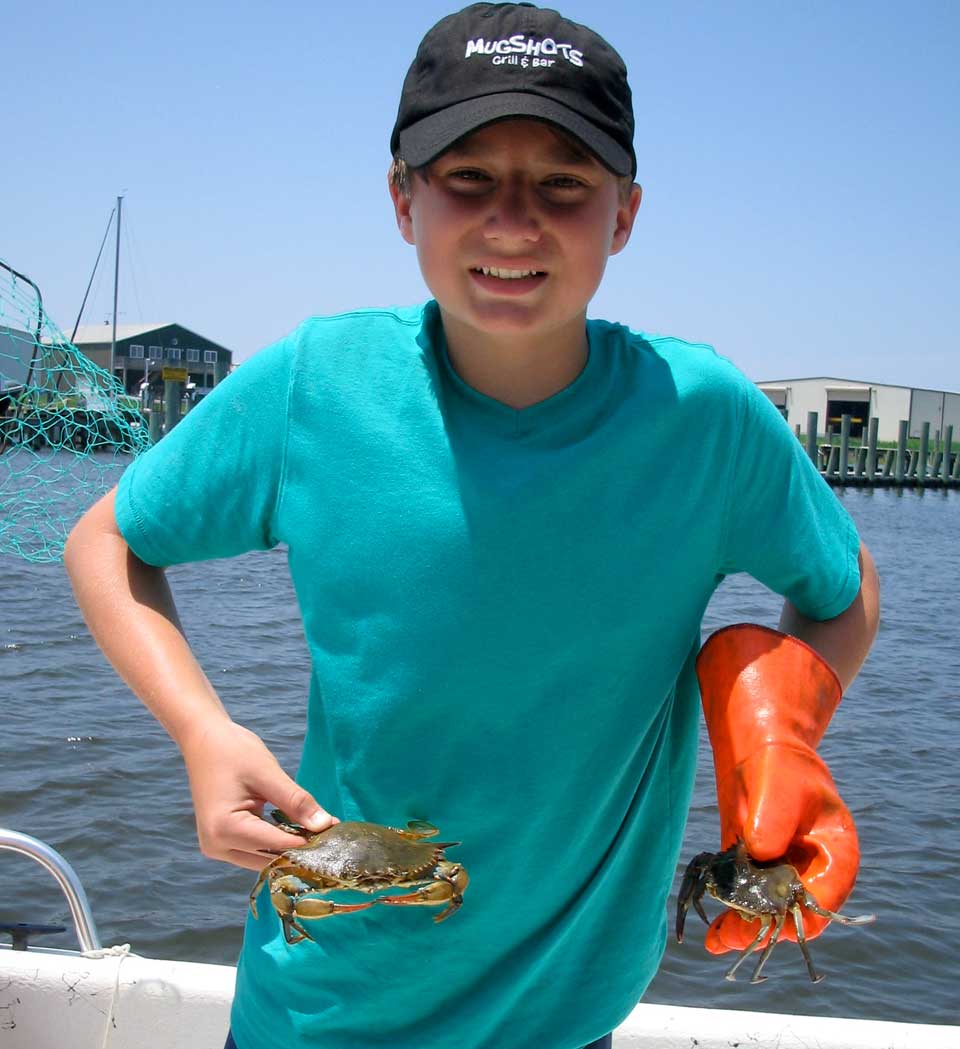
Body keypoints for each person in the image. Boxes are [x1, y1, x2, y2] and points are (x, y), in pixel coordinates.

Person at [64, 4, 880, 1048]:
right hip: (323, 1009)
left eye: (564, 184)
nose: (512, 219)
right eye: (468, 177)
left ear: (624, 213)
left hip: (570, 1012)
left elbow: (843, 588)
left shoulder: (704, 417)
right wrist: (202, 729)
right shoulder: (317, 384)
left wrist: (781, 734)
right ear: (403, 200)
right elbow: (107, 541)